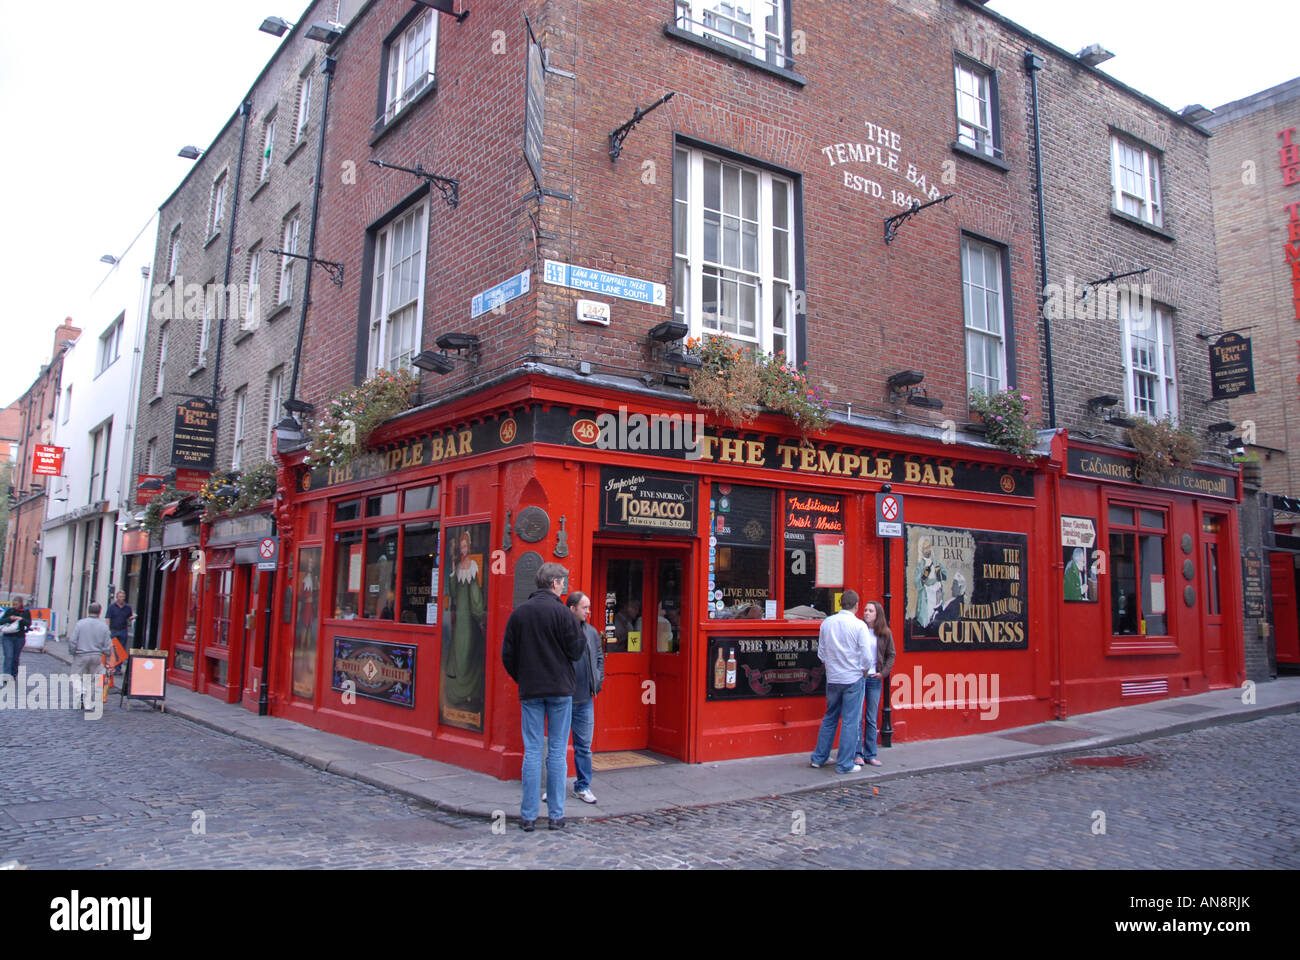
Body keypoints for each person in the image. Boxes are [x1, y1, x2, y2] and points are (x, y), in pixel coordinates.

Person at [502, 562, 584, 831]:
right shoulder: (564, 614)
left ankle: (528, 816)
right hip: (560, 690)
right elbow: (576, 652)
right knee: (558, 752)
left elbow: (508, 656)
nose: (564, 585)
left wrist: (523, 677)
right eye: (562, 581)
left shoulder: (519, 614)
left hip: (531, 690)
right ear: (554, 584)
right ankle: (556, 816)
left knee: (533, 751)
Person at [810, 589, 871, 774]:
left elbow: (821, 653)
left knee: (830, 717)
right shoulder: (859, 626)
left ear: (840, 604)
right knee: (850, 721)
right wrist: (863, 670)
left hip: (833, 678)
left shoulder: (827, 623)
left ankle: (819, 758)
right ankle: (845, 763)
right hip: (853, 678)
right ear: (857, 605)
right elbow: (867, 657)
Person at [565, 591, 605, 804]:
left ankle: (583, 786)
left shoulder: (591, 632)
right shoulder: (560, 630)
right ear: (572, 609)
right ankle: (554, 787)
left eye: (589, 607)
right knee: (557, 746)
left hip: (585, 699)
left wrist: (597, 679)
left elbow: (599, 656)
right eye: (585, 608)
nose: (588, 612)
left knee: (584, 746)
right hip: (563, 699)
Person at [856, 600, 895, 768]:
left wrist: (883, 673)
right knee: (857, 717)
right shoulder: (859, 629)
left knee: (871, 718)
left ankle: (870, 754)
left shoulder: (885, 633)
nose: (866, 613)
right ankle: (857, 754)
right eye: (865, 610)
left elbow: (891, 655)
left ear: (877, 614)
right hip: (859, 677)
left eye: (870, 610)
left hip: (874, 678)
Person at [68, 602, 113, 711]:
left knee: (75, 677)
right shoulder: (104, 626)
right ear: (100, 612)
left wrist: (73, 651)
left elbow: (73, 640)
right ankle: (87, 703)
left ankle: (80, 694)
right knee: (92, 680)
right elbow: (108, 645)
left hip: (81, 654)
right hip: (96, 656)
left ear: (88, 611)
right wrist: (107, 657)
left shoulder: (80, 624)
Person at [913, 536, 947, 629]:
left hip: (937, 594)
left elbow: (944, 576)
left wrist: (939, 572)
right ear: (921, 550)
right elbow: (917, 584)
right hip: (927, 595)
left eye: (929, 547)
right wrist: (924, 577)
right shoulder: (920, 566)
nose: (928, 550)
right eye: (925, 548)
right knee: (927, 618)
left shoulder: (936, 563)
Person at [1, 597, 32, 682]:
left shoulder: (26, 612)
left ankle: (13, 674)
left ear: (21, 603)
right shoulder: (10, 611)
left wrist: (21, 619)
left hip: (19, 637)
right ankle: (6, 676)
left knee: (15, 657)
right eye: (13, 604)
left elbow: (29, 623)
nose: (15, 606)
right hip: (8, 637)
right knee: (8, 656)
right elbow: (1, 621)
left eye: (16, 604)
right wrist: (9, 618)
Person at [105, 590, 135, 676]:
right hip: (114, 630)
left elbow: (129, 618)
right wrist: (108, 629)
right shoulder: (112, 607)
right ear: (117, 597)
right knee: (113, 649)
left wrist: (132, 618)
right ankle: (112, 667)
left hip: (123, 630)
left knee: (121, 650)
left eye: (123, 597)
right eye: (120, 597)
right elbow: (108, 618)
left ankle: (118, 669)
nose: (121, 598)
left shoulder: (127, 607)